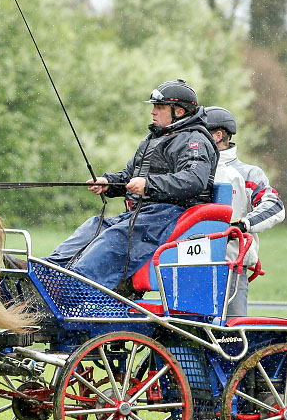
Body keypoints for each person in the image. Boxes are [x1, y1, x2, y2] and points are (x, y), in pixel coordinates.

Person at [46, 79, 218, 290]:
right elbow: (130, 175)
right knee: (95, 226)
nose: (153, 112)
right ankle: (48, 270)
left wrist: (149, 185)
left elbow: (194, 180)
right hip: (145, 214)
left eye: (159, 107)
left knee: (115, 236)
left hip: (171, 214)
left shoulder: (194, 140)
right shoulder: (154, 138)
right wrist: (108, 183)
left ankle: (72, 286)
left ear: (179, 111)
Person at [204, 106, 285, 316]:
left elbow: (274, 206)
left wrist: (242, 225)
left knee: (231, 331)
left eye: (199, 133)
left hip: (231, 266)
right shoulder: (189, 173)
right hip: (188, 265)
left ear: (217, 136)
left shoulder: (248, 174)